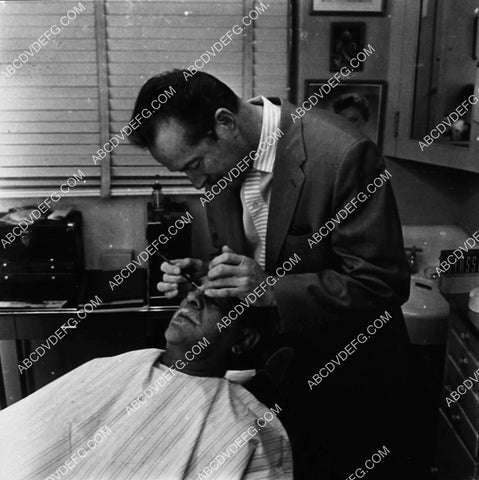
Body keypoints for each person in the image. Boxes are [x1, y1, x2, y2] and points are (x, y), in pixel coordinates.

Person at [129, 70, 411, 479]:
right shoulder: (223, 166)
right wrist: (209, 275)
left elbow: (383, 282)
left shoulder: (344, 154)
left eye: (195, 164)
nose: (196, 181)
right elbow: (252, 259)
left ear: (225, 123)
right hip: (279, 376)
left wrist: (271, 289)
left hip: (350, 377)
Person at [0, 290, 293, 480]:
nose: (191, 299)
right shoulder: (112, 368)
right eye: (194, 290)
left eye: (215, 303)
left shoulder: (242, 426)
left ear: (243, 341)